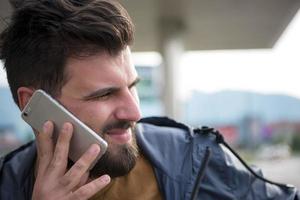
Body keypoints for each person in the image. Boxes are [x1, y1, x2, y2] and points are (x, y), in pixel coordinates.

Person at [0, 0, 299, 199]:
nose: (135, 111)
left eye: (132, 86)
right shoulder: (8, 186)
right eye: (104, 94)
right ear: (32, 103)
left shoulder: (195, 158)